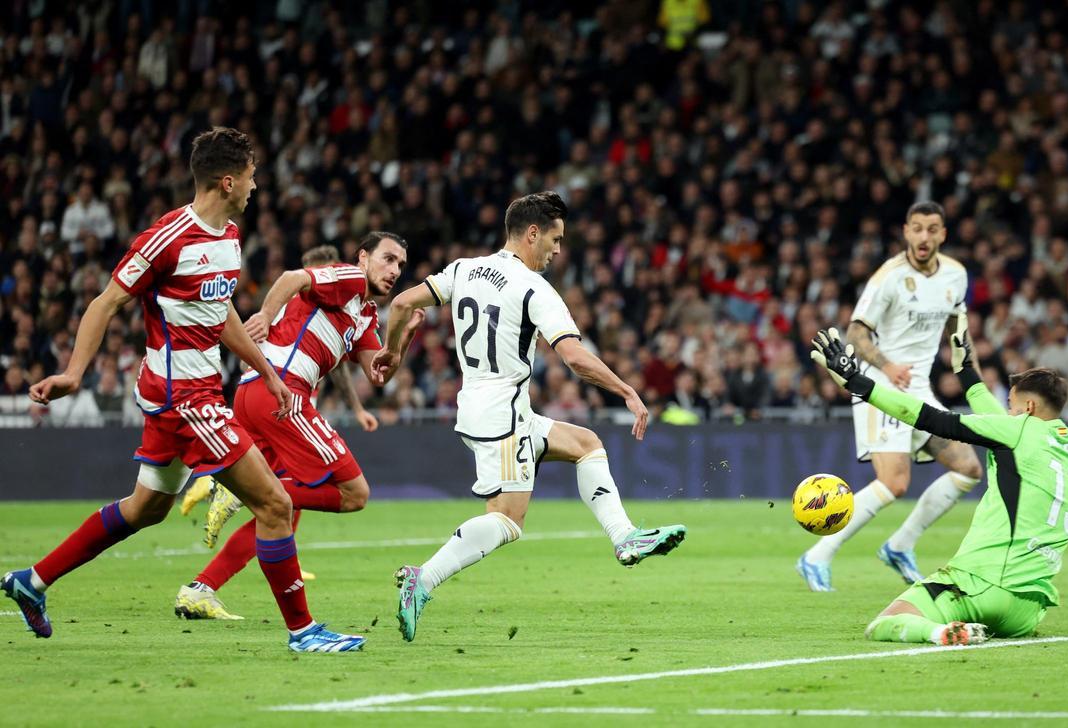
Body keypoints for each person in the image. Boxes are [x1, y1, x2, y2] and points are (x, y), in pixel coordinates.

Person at [5, 127, 364, 653]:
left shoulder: (230, 238)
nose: (255, 185)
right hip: (183, 399)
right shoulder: (167, 237)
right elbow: (106, 302)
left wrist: (265, 369)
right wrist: (75, 371)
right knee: (274, 503)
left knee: (145, 509)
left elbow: (220, 316)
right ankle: (303, 632)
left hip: (194, 394)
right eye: (250, 176)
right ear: (226, 181)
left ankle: (31, 581)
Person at [373, 191, 686, 642]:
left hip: (486, 404)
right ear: (532, 233)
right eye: (555, 239)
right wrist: (626, 391)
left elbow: (402, 304)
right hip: (503, 413)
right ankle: (422, 580)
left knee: (586, 444)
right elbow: (575, 357)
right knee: (506, 521)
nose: (558, 250)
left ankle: (625, 537)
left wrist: (394, 351)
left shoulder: (464, 269)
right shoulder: (534, 288)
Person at [173, 234, 422, 620]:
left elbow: (378, 373)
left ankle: (202, 587)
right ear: (363, 257)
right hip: (281, 392)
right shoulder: (349, 279)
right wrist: (265, 316)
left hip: (263, 395)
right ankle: (237, 492)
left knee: (279, 513)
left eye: (400, 265)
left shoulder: (366, 313)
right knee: (353, 492)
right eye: (388, 259)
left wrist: (402, 340)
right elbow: (293, 278)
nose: (394, 270)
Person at [810, 319, 1068, 645]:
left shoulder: (1017, 430)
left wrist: (858, 383)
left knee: (887, 623)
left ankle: (944, 633)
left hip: (983, 584)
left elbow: (928, 417)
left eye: (1011, 405)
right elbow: (998, 421)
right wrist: (966, 369)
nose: (1007, 412)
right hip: (1027, 610)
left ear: (1029, 407)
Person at [799, 201, 984, 592]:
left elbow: (958, 334)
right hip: (879, 385)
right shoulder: (889, 277)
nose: (924, 237)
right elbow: (856, 333)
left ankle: (900, 546)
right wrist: (887, 365)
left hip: (918, 389)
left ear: (943, 235)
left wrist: (976, 387)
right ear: (906, 231)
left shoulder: (956, 275)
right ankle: (817, 555)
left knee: (968, 469)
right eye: (917, 228)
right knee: (895, 482)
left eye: (932, 229)